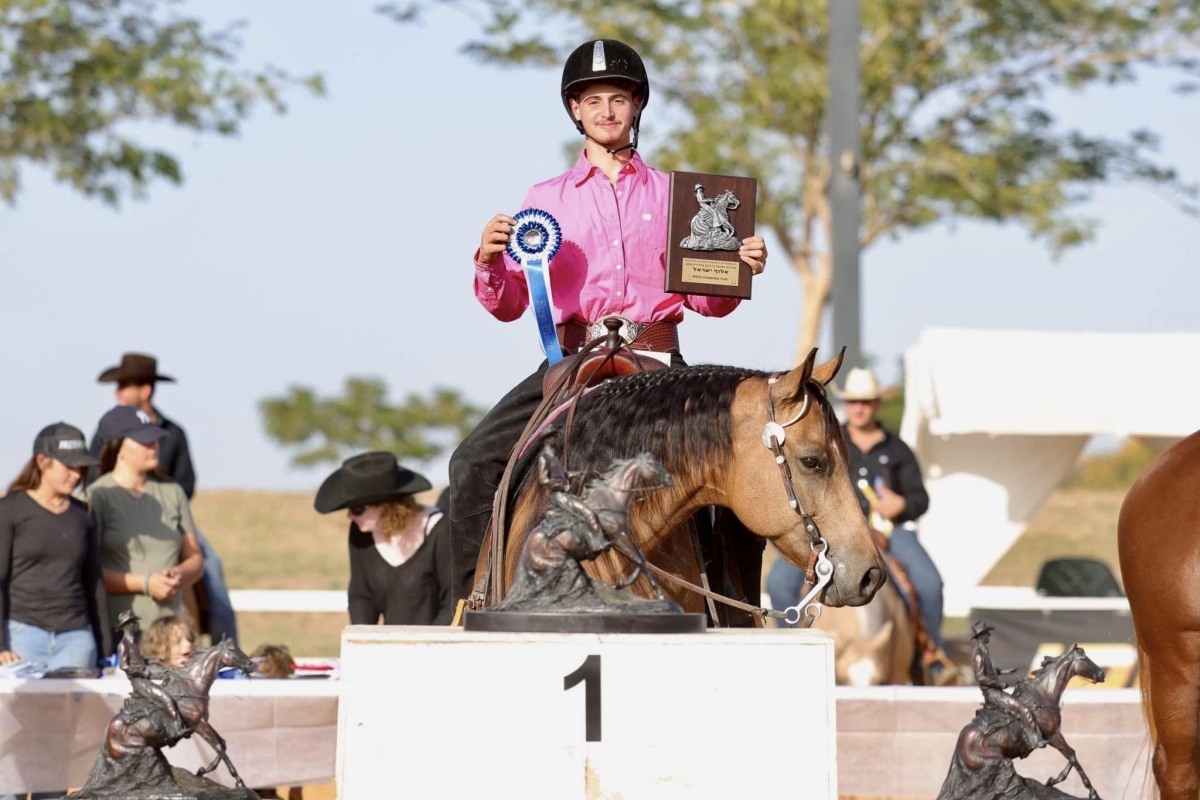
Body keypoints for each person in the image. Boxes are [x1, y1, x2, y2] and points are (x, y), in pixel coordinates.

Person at [449, 38, 768, 605]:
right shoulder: (544, 199)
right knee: (472, 461)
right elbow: (511, 305)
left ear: (637, 104)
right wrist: (489, 261)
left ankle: (736, 611)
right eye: (593, 100)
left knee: (736, 458)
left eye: (618, 98)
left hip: (658, 359)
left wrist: (737, 271)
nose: (606, 111)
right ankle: (465, 608)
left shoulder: (677, 196)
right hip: (572, 363)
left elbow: (707, 303)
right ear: (575, 109)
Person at [767, 367, 944, 648]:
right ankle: (792, 649)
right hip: (832, 530)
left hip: (890, 532)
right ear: (846, 404)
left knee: (930, 584)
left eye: (866, 401)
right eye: (853, 401)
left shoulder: (898, 449)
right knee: (778, 583)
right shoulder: (826, 443)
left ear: (877, 404)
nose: (859, 408)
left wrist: (901, 504)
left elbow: (920, 499)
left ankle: (932, 654)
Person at [90, 352, 238, 644]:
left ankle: (227, 645)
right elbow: (94, 470)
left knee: (212, 570)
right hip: (124, 515)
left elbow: (187, 482)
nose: (118, 392)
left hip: (169, 515)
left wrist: (162, 503)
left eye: (124, 385)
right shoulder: (106, 434)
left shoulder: (175, 433)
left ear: (145, 390)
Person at [0, 424, 111, 671]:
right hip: (21, 637)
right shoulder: (9, 510)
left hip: (77, 640)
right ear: (42, 461)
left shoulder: (83, 514)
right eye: (69, 466)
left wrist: (106, 650)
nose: (76, 475)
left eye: (80, 467)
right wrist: (1, 645)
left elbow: (94, 582)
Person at [89, 405, 205, 637]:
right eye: (144, 440)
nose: (154, 445)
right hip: (120, 631)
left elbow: (195, 559)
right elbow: (88, 571)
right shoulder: (96, 496)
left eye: (155, 438)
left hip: (171, 633)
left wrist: (177, 576)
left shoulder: (173, 492)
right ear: (118, 447)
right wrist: (145, 583)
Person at [315, 453, 453, 625]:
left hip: (438, 639)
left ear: (387, 507)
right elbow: (361, 595)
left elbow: (452, 599)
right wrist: (364, 637)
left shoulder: (440, 529)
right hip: (386, 639)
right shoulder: (361, 532)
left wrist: (428, 640)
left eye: (358, 509)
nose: (350, 516)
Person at [970, 622, 1044, 752]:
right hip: (992, 693)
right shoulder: (978, 655)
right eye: (987, 633)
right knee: (1023, 710)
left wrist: (1005, 672)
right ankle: (1035, 740)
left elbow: (990, 671)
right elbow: (981, 677)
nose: (989, 635)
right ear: (981, 636)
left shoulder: (984, 651)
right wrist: (999, 684)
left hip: (994, 690)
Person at [115, 610, 186, 740]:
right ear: (127, 626)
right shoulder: (123, 645)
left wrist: (154, 661)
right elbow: (124, 666)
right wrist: (141, 672)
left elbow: (140, 661)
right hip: (139, 681)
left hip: (144, 675)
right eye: (133, 623)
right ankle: (178, 727)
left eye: (135, 623)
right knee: (166, 698)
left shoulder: (134, 643)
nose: (136, 625)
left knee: (168, 675)